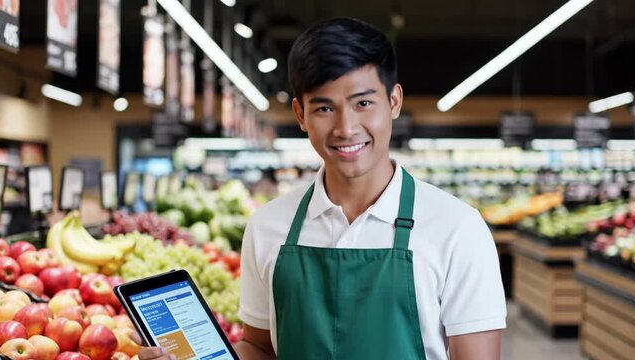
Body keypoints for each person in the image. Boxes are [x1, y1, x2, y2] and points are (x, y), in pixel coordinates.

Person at [138, 17, 506, 360]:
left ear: (393, 101)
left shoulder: (457, 228)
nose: (346, 128)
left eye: (363, 103)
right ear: (300, 115)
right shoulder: (268, 226)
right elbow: (259, 346)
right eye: (324, 108)